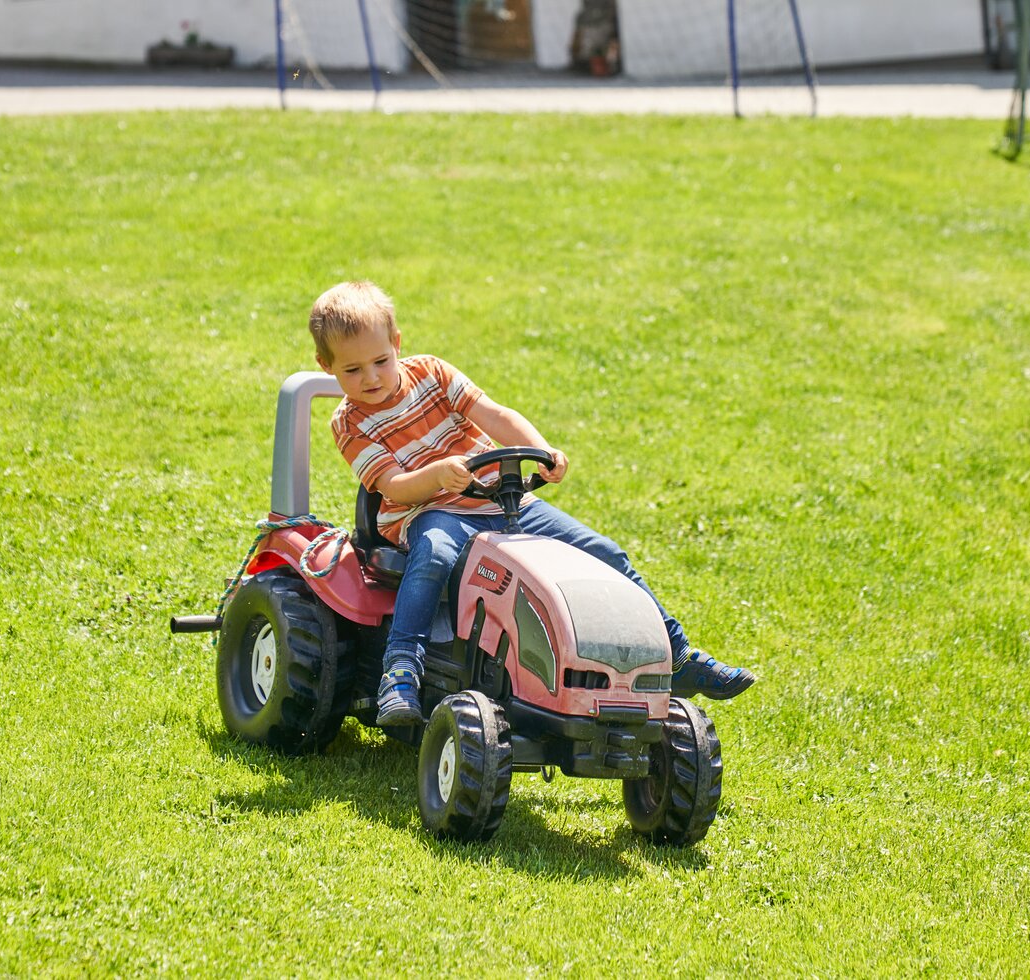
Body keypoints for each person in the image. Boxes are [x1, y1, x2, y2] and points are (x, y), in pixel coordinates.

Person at [310, 280, 756, 725]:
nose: (370, 378)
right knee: (434, 557)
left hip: (504, 501)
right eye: (352, 370)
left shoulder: (432, 373)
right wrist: (436, 475)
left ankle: (677, 655)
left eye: (380, 361)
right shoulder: (349, 423)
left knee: (603, 551)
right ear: (326, 365)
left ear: (397, 343)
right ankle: (402, 669)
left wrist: (543, 450)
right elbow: (393, 486)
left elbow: (494, 415)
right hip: (430, 512)